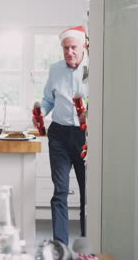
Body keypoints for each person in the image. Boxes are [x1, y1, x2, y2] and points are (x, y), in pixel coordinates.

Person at [33, 26, 88, 245]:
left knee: (88, 195)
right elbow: (48, 99)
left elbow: (105, 99)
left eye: (73, 47)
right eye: (65, 48)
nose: (69, 52)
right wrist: (41, 113)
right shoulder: (55, 69)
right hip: (59, 136)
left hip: (86, 136)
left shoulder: (94, 68)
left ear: (83, 47)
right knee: (60, 192)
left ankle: (86, 244)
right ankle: (60, 246)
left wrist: (90, 114)